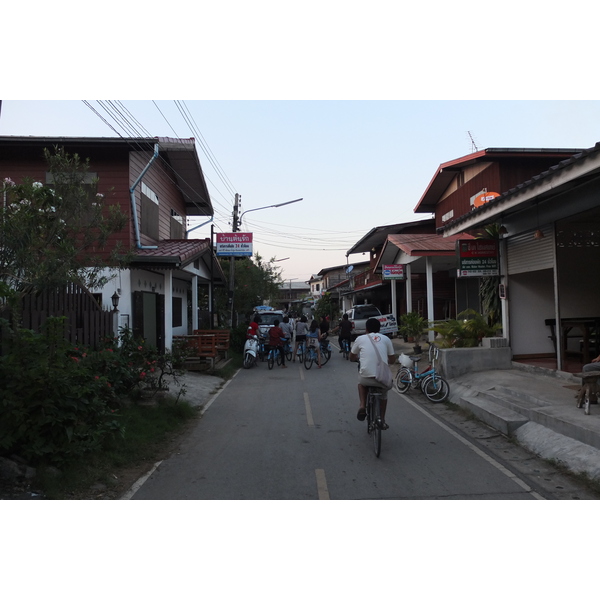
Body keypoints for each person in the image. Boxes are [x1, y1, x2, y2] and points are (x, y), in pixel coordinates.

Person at [349, 317, 396, 429]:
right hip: (382, 378)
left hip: (366, 377)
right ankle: (382, 420)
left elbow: (352, 356)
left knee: (361, 384)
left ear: (366, 329)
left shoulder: (360, 339)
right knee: (384, 394)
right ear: (380, 329)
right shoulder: (386, 339)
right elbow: (393, 359)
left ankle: (362, 405)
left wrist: (355, 358)